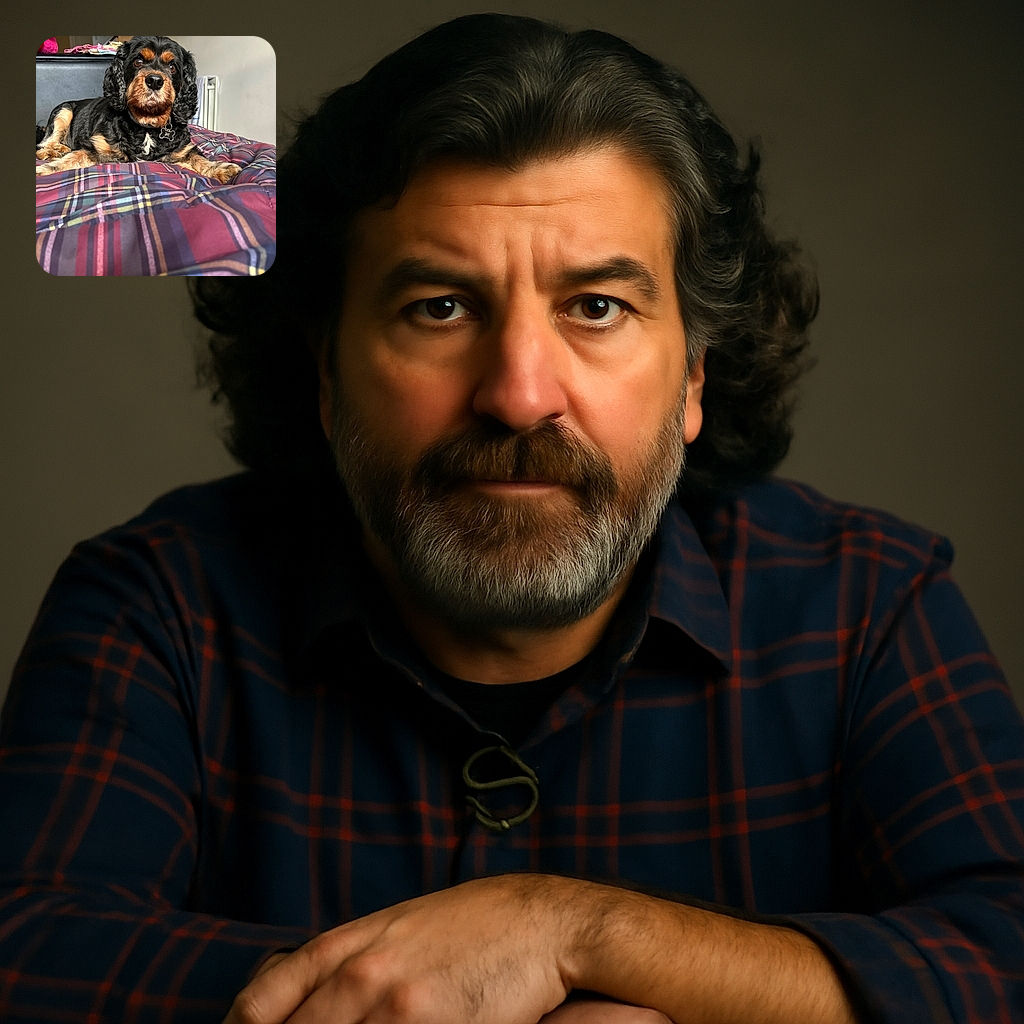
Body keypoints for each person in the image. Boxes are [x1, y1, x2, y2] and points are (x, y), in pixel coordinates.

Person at [1, 13, 1021, 1024]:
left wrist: (576, 934)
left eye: (597, 307)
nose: (520, 393)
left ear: (696, 375)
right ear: (323, 366)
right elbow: (26, 949)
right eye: (440, 306)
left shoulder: (864, 603)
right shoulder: (159, 604)